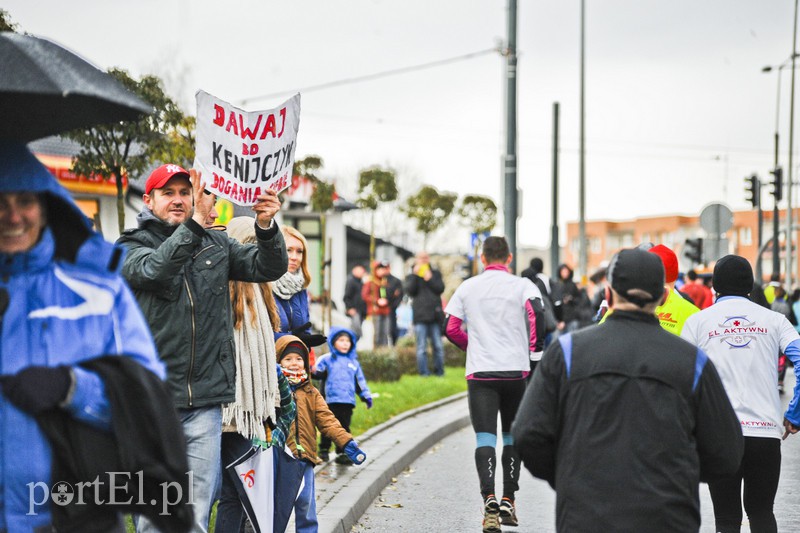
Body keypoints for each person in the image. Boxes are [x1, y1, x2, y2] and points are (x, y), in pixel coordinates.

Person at [0, 142, 177, 532]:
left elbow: (146, 402)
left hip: (74, 517)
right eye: (0, 201)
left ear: (46, 208)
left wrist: (73, 388)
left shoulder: (100, 293)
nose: (12, 215)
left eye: (25, 201)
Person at [512, 247, 744, 532]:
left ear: (607, 296)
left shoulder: (568, 352)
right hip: (668, 517)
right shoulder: (693, 361)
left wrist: (570, 478)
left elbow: (527, 433)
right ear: (662, 297)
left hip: (585, 515)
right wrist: (679, 480)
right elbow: (727, 452)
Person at [116, 163, 288, 533]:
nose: (179, 200)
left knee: (195, 512)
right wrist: (194, 225)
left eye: (185, 192)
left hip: (205, 403)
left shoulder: (218, 244)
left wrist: (266, 226)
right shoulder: (130, 245)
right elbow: (156, 271)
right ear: (149, 200)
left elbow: (266, 268)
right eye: (169, 193)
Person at [681, 255, 800, 533]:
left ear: (715, 287)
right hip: (765, 434)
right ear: (750, 286)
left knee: (726, 519)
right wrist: (795, 413)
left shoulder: (697, 322)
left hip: (719, 434)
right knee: (761, 512)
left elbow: (682, 377)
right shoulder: (775, 321)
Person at [443, 236, 545, 532]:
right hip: (515, 372)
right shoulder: (523, 285)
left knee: (485, 439)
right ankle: (508, 500)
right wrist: (534, 354)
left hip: (481, 373)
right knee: (512, 437)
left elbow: (450, 327)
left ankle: (488, 501)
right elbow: (537, 314)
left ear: (483, 258)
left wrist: (470, 345)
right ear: (509, 258)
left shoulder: (468, 286)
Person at [216, 217, 297, 533]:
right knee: (236, 494)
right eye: (250, 248)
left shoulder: (261, 292)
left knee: (234, 494)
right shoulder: (222, 294)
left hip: (250, 413)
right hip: (231, 412)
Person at [275, 335, 367, 533]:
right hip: (280, 457)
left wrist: (346, 442)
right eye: (288, 359)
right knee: (278, 508)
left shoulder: (310, 391)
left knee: (306, 504)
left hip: (305, 457)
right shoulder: (272, 389)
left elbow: (328, 420)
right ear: (278, 361)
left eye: (299, 359)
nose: (294, 363)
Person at [313, 327, 373, 464]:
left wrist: (366, 396)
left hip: (347, 402)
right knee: (328, 427)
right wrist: (313, 370)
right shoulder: (327, 359)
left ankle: (342, 453)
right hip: (330, 401)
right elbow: (317, 373)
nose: (345, 343)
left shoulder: (353, 363)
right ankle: (324, 450)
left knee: (344, 427)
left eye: (348, 341)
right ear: (333, 342)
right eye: (341, 340)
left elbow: (360, 382)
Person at [273, 226, 326, 364]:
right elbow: (258, 335)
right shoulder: (263, 285)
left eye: (299, 251)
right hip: (271, 365)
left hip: (296, 365)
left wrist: (308, 345)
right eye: (288, 250)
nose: (294, 257)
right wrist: (293, 337)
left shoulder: (301, 289)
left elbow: (305, 328)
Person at [404, 251, 446, 376]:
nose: (423, 260)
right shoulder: (412, 275)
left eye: (425, 258)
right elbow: (410, 291)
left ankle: (439, 372)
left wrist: (430, 278)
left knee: (438, 346)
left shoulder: (435, 273)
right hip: (420, 316)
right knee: (421, 347)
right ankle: (424, 373)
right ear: (416, 259)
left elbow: (440, 289)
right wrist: (415, 275)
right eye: (421, 258)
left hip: (434, 315)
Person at [362, 261, 392, 347]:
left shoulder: (384, 282)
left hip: (385, 311)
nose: (382, 271)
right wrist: (376, 300)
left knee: (385, 333)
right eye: (379, 269)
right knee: (377, 334)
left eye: (383, 269)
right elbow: (365, 295)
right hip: (375, 311)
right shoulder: (370, 282)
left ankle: (384, 352)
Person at [343, 263, 368, 339]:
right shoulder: (351, 281)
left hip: (361, 311)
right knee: (356, 331)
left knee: (356, 330)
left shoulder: (361, 282)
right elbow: (347, 296)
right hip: (355, 310)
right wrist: (349, 308)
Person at [385, 262, 405, 345]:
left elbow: (400, 294)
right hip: (382, 309)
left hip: (392, 309)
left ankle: (394, 344)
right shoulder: (380, 280)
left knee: (393, 329)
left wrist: (394, 305)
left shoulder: (396, 281)